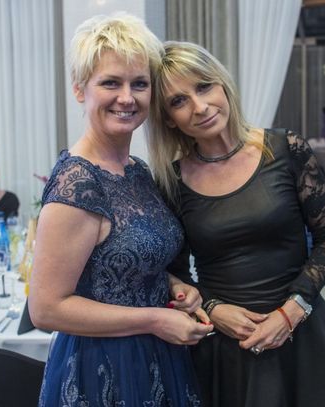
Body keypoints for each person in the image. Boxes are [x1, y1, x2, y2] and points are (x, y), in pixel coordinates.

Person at [147, 41, 325, 407]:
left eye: (204, 86)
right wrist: (213, 309)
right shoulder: (172, 182)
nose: (200, 107)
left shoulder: (286, 148)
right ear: (168, 118)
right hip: (226, 347)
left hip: (302, 331)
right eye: (179, 101)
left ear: (223, 84)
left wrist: (291, 312)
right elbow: (174, 273)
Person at [28, 15, 212, 406]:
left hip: (157, 354)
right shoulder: (78, 182)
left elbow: (125, 261)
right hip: (104, 368)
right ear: (80, 89)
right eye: (111, 83)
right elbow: (45, 309)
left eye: (139, 84)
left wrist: (173, 286)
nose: (127, 98)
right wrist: (155, 319)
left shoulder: (137, 170)